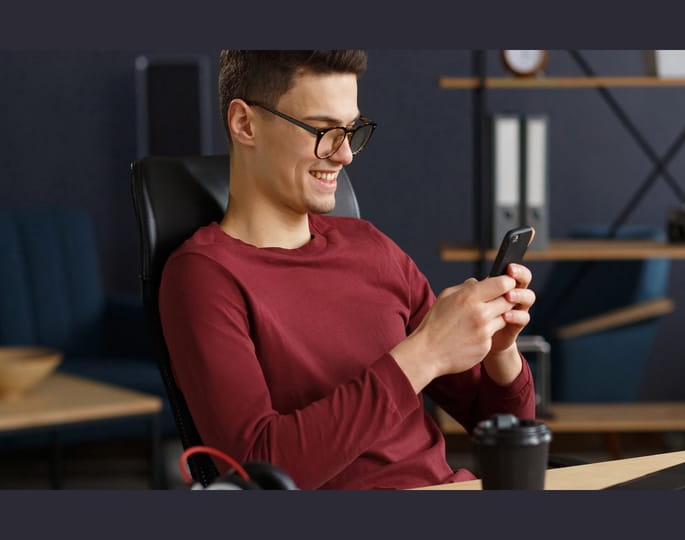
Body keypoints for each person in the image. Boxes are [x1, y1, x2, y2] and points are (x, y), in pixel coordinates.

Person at [159, 50, 538, 490]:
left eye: (351, 130)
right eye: (322, 130)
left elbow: (506, 430)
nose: (344, 155)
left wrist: (498, 350)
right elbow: (260, 471)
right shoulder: (203, 277)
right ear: (245, 124)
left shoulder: (370, 247)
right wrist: (425, 353)